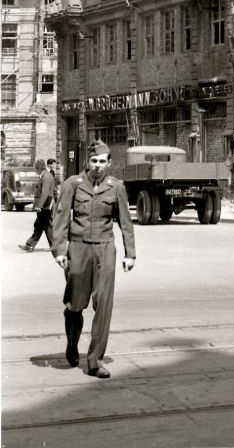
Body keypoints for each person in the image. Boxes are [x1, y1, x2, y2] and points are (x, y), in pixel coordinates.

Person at [52, 139, 136, 378]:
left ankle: (95, 361)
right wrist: (59, 250)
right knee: (75, 304)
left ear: (109, 163)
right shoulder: (73, 184)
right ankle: (72, 343)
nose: (98, 165)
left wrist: (130, 254)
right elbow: (60, 218)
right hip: (78, 249)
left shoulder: (116, 187)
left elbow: (125, 223)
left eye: (102, 161)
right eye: (94, 161)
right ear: (87, 162)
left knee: (104, 306)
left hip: (105, 249)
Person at [19, 158, 56, 252]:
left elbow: (45, 192)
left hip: (45, 205)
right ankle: (30, 245)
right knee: (39, 225)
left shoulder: (46, 177)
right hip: (44, 204)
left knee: (47, 225)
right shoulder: (44, 176)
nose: (36, 171)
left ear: (39, 168)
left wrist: (40, 205)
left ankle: (55, 245)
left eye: (36, 168)